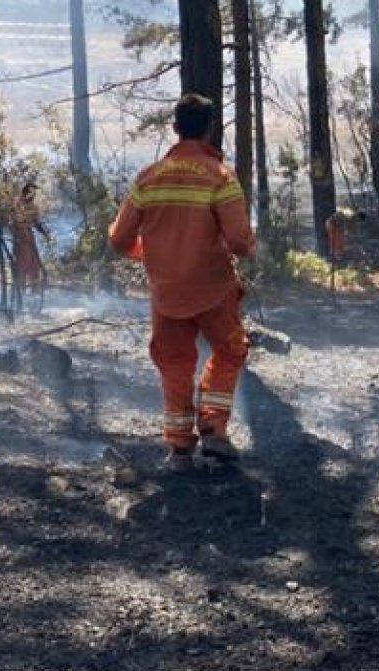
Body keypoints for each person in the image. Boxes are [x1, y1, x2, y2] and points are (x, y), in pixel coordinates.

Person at [110, 94, 256, 470]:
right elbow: (241, 242)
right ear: (210, 129)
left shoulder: (149, 178)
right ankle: (213, 429)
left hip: (166, 293)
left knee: (174, 363)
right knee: (230, 350)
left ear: (175, 128)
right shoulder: (220, 177)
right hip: (214, 288)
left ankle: (178, 448)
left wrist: (155, 255)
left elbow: (118, 240)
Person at [12, 182, 52, 296]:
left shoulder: (34, 207)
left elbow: (36, 222)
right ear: (27, 192)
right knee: (22, 262)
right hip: (20, 236)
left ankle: (34, 291)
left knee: (34, 262)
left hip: (29, 235)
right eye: (32, 192)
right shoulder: (18, 202)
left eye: (34, 193)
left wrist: (45, 234)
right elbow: (16, 219)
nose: (33, 195)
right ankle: (21, 290)